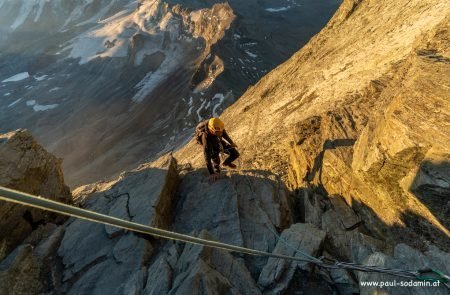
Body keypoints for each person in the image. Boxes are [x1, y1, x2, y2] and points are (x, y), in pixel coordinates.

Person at [195, 117, 239, 183]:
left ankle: (226, 163)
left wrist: (231, 143)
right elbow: (206, 155)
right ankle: (217, 170)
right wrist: (211, 173)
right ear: (212, 130)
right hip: (210, 142)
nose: (221, 133)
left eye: (221, 131)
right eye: (219, 132)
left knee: (235, 153)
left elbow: (224, 133)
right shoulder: (205, 137)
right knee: (214, 155)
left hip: (216, 139)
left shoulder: (218, 127)